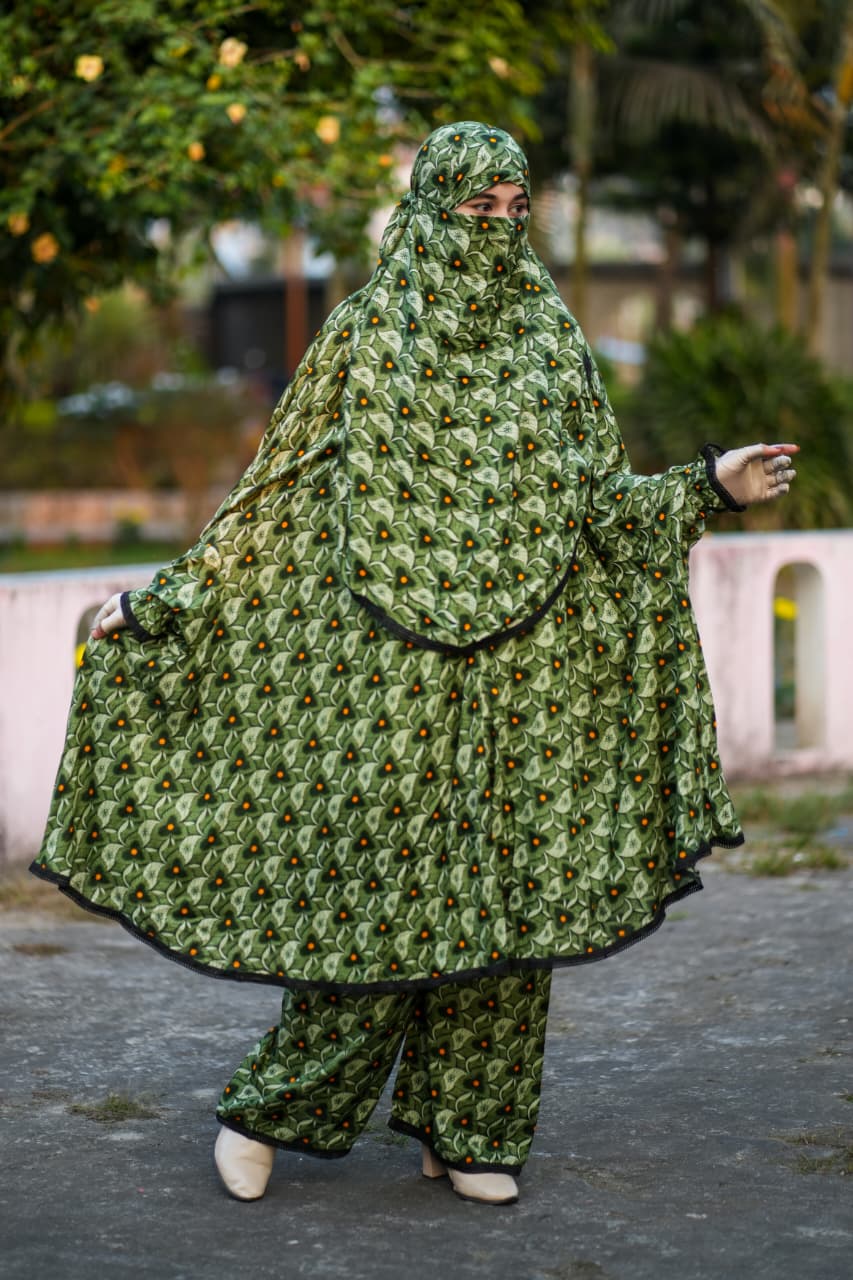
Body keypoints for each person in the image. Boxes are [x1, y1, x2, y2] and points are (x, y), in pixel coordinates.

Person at [31, 121, 797, 1208]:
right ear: (430, 210)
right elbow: (276, 494)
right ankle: (273, 1110)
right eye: (475, 208)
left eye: (513, 210)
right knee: (381, 902)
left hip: (526, 675)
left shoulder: (550, 338)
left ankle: (472, 1126)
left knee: (515, 909)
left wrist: (708, 487)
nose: (496, 229)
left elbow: (599, 509)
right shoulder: (367, 332)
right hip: (386, 676)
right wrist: (169, 601)